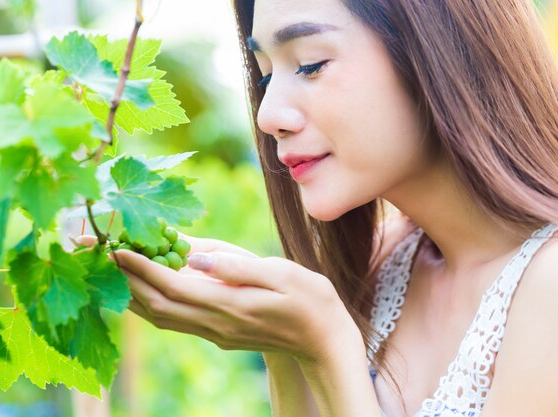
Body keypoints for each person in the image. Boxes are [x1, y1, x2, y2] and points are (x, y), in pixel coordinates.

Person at [78, 0, 558, 415]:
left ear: (441, 48)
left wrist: (324, 343)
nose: (268, 116)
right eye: (265, 75)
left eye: (310, 64)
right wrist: (285, 345)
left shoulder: (548, 289)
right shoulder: (387, 261)